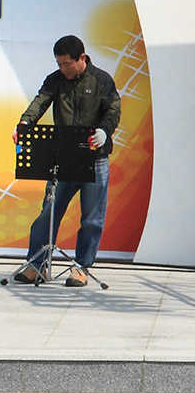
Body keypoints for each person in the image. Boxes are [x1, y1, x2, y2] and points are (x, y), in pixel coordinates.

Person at [12, 34, 121, 287]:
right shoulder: (55, 80)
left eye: (66, 64)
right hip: (63, 160)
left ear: (81, 58)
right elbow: (39, 102)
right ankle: (36, 266)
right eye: (59, 64)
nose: (62, 69)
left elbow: (113, 110)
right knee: (48, 213)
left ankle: (81, 267)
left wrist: (104, 131)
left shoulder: (101, 80)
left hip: (95, 159)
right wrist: (25, 123)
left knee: (91, 217)